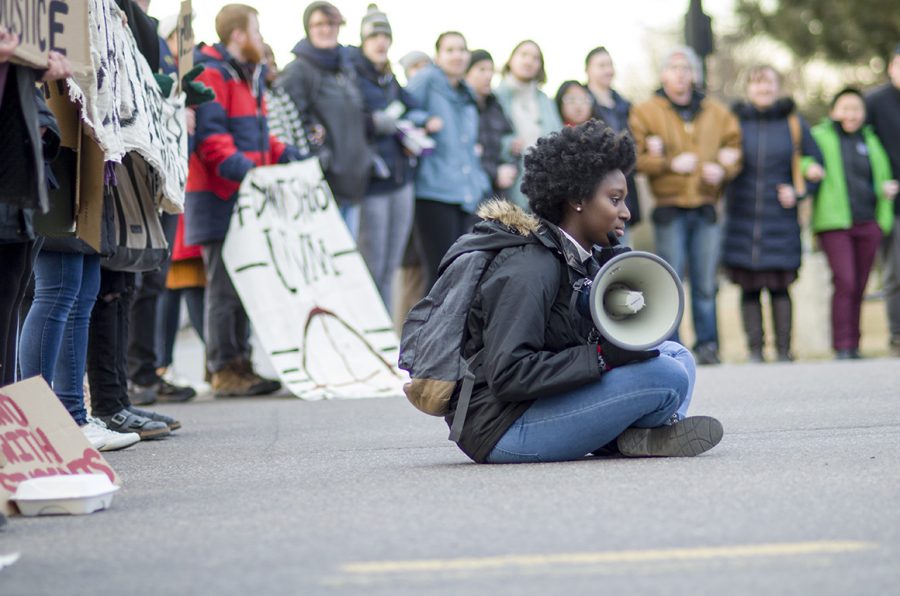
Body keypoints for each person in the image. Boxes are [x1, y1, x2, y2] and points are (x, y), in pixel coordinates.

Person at [438, 120, 722, 464]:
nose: (626, 212)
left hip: (538, 406)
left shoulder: (579, 257)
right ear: (576, 200)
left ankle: (632, 435)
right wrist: (603, 357)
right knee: (666, 375)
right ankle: (633, 435)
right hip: (501, 427)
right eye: (614, 199)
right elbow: (508, 373)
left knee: (677, 355)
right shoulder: (530, 266)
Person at [185, 3, 301, 396]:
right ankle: (223, 367)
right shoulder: (214, 73)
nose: (260, 38)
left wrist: (283, 154)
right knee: (223, 285)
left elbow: (257, 134)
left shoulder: (248, 75)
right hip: (219, 193)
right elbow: (212, 139)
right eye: (255, 29)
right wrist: (249, 170)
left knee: (243, 281)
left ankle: (242, 362)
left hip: (245, 192)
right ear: (238, 34)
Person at [629, 46, 742, 365]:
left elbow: (734, 150)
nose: (681, 74)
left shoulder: (718, 112)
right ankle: (672, 348)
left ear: (695, 75)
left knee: (706, 283)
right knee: (670, 282)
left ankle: (709, 345)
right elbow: (634, 157)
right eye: (674, 68)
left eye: (687, 68)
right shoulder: (646, 111)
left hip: (706, 206)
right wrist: (667, 163)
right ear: (663, 75)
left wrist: (723, 168)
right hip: (669, 208)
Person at [722, 65, 823, 363]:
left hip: (781, 216)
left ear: (778, 88)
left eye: (768, 84)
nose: (763, 89)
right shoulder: (733, 122)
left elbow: (817, 168)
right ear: (748, 89)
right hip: (742, 217)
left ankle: (783, 351)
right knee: (749, 285)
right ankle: (755, 351)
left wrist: (799, 192)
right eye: (756, 83)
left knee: (780, 285)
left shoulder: (794, 123)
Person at [351, 5, 436, 310]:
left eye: (385, 35)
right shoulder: (354, 73)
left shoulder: (390, 77)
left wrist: (420, 120)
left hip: (402, 179)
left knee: (391, 266)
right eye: (374, 35)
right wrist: (376, 122)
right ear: (363, 38)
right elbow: (351, 117)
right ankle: (369, 332)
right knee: (371, 266)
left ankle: (385, 339)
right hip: (373, 181)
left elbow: (412, 106)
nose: (380, 41)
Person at [811, 87, 897, 359]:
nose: (851, 114)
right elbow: (801, 159)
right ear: (834, 111)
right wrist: (807, 169)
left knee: (859, 284)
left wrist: (883, 211)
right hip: (835, 223)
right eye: (845, 108)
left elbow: (882, 175)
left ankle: (854, 344)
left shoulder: (870, 141)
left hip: (867, 223)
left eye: (857, 109)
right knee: (845, 281)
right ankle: (842, 344)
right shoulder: (820, 137)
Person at [277, 1, 369, 238]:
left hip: (354, 181)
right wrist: (317, 149)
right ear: (308, 28)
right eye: (318, 24)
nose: (326, 29)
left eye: (330, 23)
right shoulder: (299, 70)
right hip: (322, 186)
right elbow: (285, 118)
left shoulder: (345, 68)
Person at [406, 31, 490, 289]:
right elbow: (402, 109)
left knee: (460, 271)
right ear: (437, 56)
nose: (457, 56)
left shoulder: (467, 93)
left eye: (462, 50)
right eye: (450, 50)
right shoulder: (426, 80)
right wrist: (423, 121)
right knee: (439, 272)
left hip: (465, 195)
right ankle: (433, 329)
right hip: (434, 191)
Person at [495, 40, 563, 209]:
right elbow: (486, 137)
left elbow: (559, 138)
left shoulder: (545, 101)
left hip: (545, 186)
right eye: (523, 55)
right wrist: (507, 146)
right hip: (509, 187)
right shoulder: (496, 96)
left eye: (535, 58)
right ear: (511, 59)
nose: (529, 61)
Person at [585, 46, 642, 237]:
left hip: (624, 186)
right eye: (601, 65)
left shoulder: (624, 105)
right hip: (595, 189)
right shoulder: (581, 102)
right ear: (588, 70)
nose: (608, 70)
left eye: (610, 65)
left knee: (623, 250)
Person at [866, 44, 900, 357]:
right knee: (895, 274)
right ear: (891, 66)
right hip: (893, 204)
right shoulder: (874, 102)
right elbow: (860, 146)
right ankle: (896, 336)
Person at [465, 49, 517, 199]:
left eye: (491, 70)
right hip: (470, 194)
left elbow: (513, 144)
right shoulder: (462, 106)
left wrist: (509, 168)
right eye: (482, 69)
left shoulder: (496, 106)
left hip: (498, 194)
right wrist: (494, 173)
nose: (488, 76)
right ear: (466, 72)